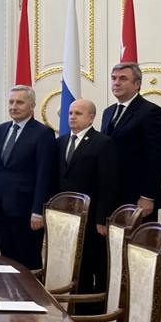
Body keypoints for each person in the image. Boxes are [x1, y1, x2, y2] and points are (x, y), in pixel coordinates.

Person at [57, 98, 119, 311]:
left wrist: (102, 218)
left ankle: (96, 311)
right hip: (67, 218)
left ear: (91, 117)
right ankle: (76, 308)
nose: (72, 117)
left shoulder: (103, 142)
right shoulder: (61, 141)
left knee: (95, 264)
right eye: (70, 113)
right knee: (75, 264)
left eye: (78, 113)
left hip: (93, 219)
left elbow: (108, 184)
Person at [0, 85, 57, 270]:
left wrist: (38, 211)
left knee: (28, 262)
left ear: (32, 106)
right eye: (11, 102)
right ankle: (12, 298)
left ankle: (31, 298)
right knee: (8, 261)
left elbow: (45, 174)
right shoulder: (1, 130)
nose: (14, 106)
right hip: (3, 207)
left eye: (20, 102)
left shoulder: (43, 133)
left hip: (27, 211)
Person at [101, 62, 161, 222]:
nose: (116, 83)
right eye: (113, 78)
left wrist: (148, 195)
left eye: (123, 78)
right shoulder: (108, 112)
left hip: (138, 198)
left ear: (137, 84)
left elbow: (157, 158)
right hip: (111, 195)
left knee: (138, 246)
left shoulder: (151, 112)